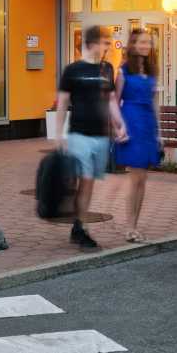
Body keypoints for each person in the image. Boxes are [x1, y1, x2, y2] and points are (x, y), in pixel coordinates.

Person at [54, 25, 128, 250]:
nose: (108, 47)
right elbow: (62, 103)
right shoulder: (73, 70)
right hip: (79, 134)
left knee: (88, 184)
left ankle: (77, 225)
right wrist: (58, 135)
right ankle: (82, 228)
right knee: (85, 179)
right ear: (92, 44)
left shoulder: (107, 69)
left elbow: (111, 100)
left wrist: (119, 123)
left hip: (101, 136)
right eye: (105, 43)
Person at [112, 28, 162, 242]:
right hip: (131, 123)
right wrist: (118, 127)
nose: (145, 46)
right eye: (142, 42)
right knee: (136, 178)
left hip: (148, 124)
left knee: (143, 179)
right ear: (132, 44)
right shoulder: (123, 70)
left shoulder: (151, 70)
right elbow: (115, 101)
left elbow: (155, 103)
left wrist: (159, 132)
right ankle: (130, 228)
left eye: (148, 42)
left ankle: (134, 225)